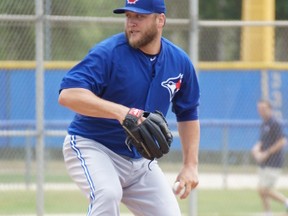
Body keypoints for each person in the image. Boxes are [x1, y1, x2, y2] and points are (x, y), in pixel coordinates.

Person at [58, 0, 200, 215]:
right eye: (128, 16)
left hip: (140, 161)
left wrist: (191, 164)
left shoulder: (179, 61)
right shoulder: (108, 53)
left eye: (140, 17)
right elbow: (69, 95)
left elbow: (188, 112)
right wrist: (122, 112)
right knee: (107, 194)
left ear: (160, 20)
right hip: (94, 146)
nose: (131, 23)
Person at [251, 100, 288, 216]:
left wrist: (266, 153)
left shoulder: (274, 123)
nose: (261, 111)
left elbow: (282, 141)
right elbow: (262, 141)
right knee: (261, 190)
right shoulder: (264, 124)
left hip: (274, 162)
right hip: (264, 163)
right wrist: (256, 149)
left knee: (264, 189)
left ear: (270, 109)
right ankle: (267, 212)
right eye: (259, 109)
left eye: (264, 108)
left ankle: (285, 201)